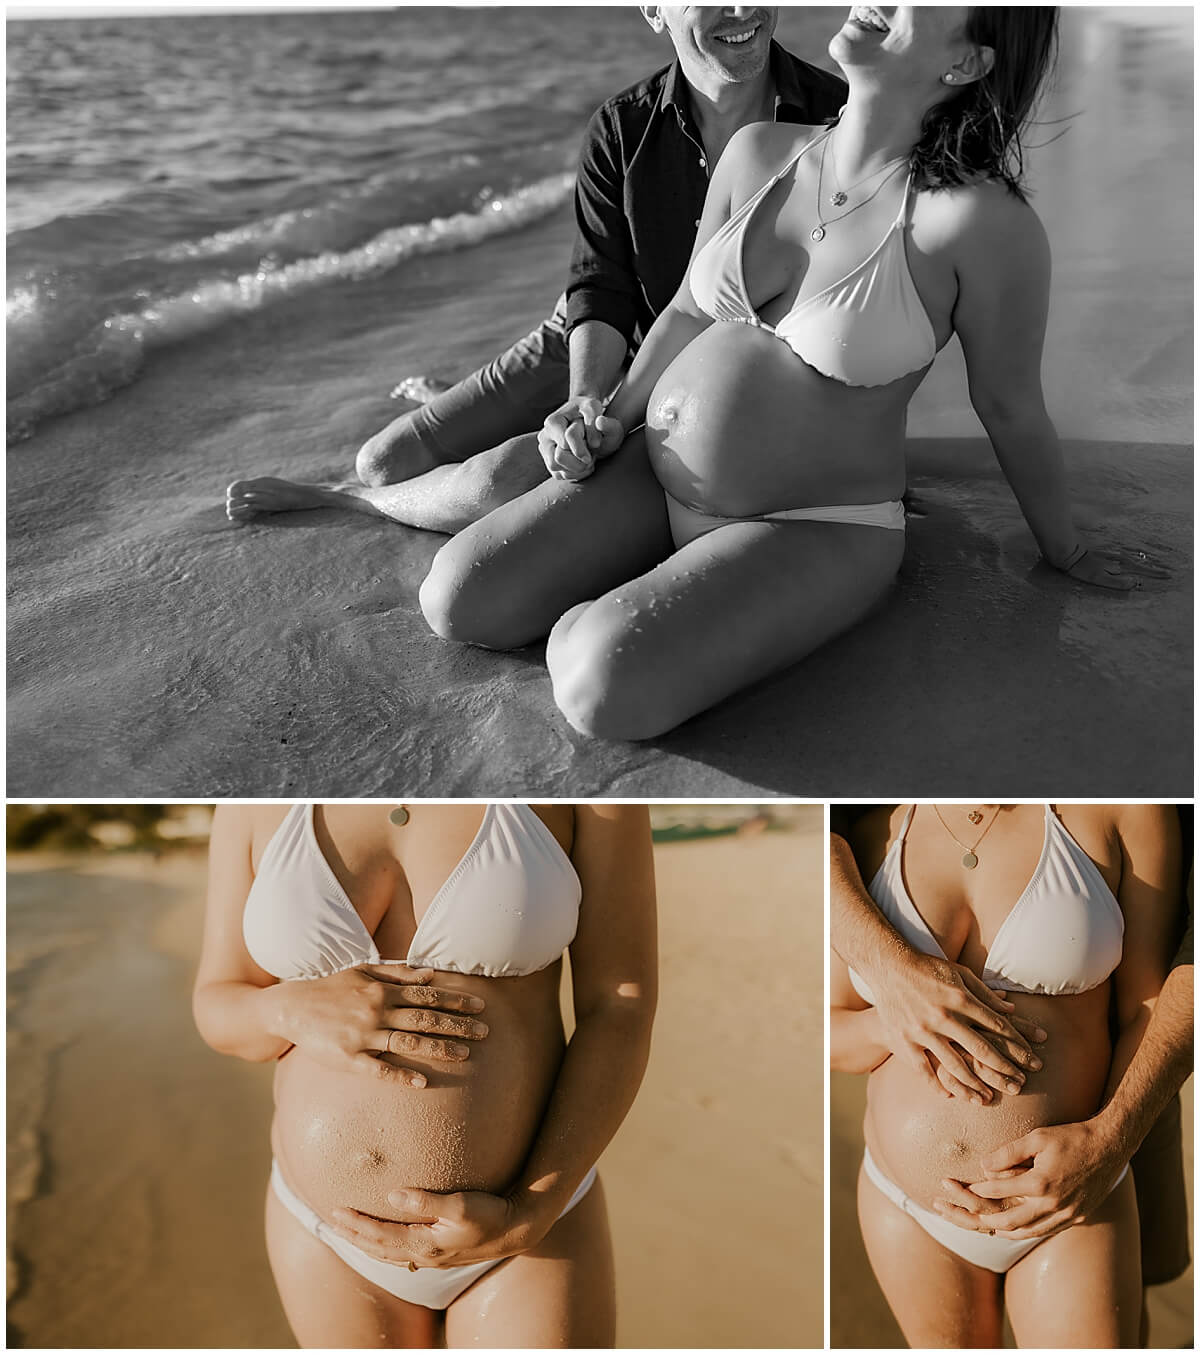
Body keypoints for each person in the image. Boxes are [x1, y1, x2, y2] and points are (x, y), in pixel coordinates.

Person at [418, 7, 1164, 743]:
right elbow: (684, 310)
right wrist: (612, 413)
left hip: (814, 528)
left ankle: (633, 611)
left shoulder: (975, 223)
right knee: (456, 600)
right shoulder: (759, 149)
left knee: (600, 691)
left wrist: (1063, 546)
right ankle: (658, 591)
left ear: (967, 62)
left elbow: (1009, 406)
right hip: (657, 472)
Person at [225, 8, 845, 532]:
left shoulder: (836, 117)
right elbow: (601, 285)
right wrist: (585, 398)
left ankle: (349, 503)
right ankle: (374, 478)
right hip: (595, 334)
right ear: (655, 9)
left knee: (502, 483)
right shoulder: (622, 126)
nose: (742, 8)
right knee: (383, 459)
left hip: (715, 366)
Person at [193, 802, 657, 1348]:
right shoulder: (253, 796)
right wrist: (285, 1010)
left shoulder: (583, 791)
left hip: (529, 1226)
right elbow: (217, 1003)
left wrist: (531, 1211)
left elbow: (619, 1005)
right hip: (326, 1237)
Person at [831, 805, 1193, 1341]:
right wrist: (892, 1025)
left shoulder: (1126, 812)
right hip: (907, 1207)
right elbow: (833, 1031)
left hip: (1071, 1200)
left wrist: (1109, 1139)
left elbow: (1148, 1008)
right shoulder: (868, 829)